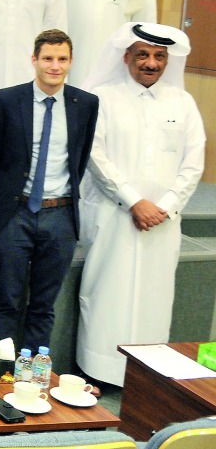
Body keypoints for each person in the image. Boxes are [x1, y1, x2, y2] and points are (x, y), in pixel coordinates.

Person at [76, 23, 205, 387]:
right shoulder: (102, 97)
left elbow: (194, 161)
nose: (151, 63)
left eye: (159, 56)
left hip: (162, 223)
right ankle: (98, 370)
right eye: (143, 55)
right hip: (113, 215)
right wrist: (134, 201)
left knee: (154, 294)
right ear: (126, 57)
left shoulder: (182, 102)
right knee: (106, 295)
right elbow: (94, 154)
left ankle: (146, 374)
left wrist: (164, 205)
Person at [0, 29, 98, 352]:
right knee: (5, 301)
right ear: (34, 60)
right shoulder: (6, 100)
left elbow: (80, 158)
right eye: (47, 58)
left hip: (61, 216)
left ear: (71, 62)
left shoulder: (86, 104)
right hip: (16, 214)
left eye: (62, 59)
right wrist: (2, 204)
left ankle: (33, 379)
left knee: (43, 306)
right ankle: (1, 374)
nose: (55, 66)